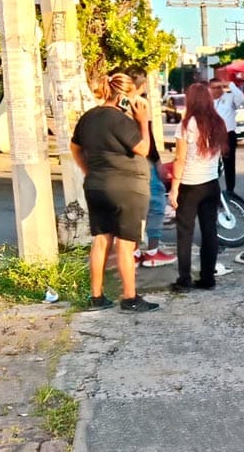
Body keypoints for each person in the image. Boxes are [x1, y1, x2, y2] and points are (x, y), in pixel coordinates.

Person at [70, 73, 159, 313]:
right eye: (131, 97)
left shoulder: (88, 117)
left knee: (101, 240)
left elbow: (74, 147)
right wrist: (143, 121)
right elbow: (143, 149)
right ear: (122, 95)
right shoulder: (120, 120)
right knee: (125, 244)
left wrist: (88, 170)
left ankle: (96, 297)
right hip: (126, 188)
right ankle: (130, 298)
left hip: (96, 185)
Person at [169, 83, 229, 292]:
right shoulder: (218, 123)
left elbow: (180, 158)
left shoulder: (186, 125)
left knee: (185, 233)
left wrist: (174, 188)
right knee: (210, 232)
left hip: (190, 185)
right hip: (211, 184)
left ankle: (184, 280)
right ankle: (207, 278)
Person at [125, 66, 177, 268]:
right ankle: (153, 251)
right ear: (140, 83)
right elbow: (148, 138)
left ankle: (135, 251)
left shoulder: (117, 104)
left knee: (134, 208)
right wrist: (157, 162)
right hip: (142, 160)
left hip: (124, 163)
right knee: (155, 204)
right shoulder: (139, 104)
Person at [209, 78, 244, 204]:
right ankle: (213, 192)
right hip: (213, 136)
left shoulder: (229, 97)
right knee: (212, 165)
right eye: (213, 88)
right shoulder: (208, 102)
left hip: (228, 134)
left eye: (218, 87)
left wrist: (229, 84)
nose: (216, 90)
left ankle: (230, 190)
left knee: (229, 164)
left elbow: (241, 100)